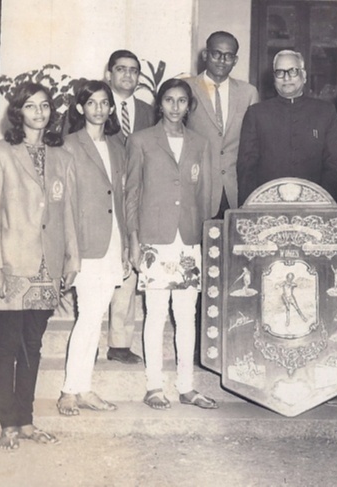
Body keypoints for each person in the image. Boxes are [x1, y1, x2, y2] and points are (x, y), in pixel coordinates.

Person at [0, 82, 79, 449]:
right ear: (18, 112)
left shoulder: (62, 157)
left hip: (47, 267)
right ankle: (8, 423)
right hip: (11, 263)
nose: (39, 112)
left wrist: (72, 258)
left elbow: (67, 212)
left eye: (45, 106)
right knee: (6, 343)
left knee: (32, 345)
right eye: (31, 106)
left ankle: (27, 419)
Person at [125, 78, 217, 410]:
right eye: (169, 100)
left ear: (189, 105)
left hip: (188, 241)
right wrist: (134, 241)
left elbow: (205, 195)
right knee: (155, 314)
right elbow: (131, 193)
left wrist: (204, 241)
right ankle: (153, 386)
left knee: (187, 315)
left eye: (181, 101)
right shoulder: (141, 141)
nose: (175, 107)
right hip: (154, 239)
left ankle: (187, 387)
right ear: (159, 104)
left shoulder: (200, 143)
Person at [56, 80, 128, 416]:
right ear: (80, 108)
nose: (98, 108)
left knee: (94, 316)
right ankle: (71, 390)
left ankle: (81, 387)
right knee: (88, 317)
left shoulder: (118, 144)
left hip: (113, 241)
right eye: (92, 103)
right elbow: (65, 203)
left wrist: (127, 245)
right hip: (85, 245)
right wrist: (70, 251)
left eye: (104, 102)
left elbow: (124, 199)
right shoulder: (69, 145)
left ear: (112, 108)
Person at [237, 50, 337, 205]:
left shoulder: (325, 112)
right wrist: (250, 206)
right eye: (280, 72)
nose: (286, 78)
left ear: (304, 76)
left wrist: (325, 203)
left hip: (313, 204)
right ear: (274, 78)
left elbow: (332, 165)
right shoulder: (256, 113)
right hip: (266, 204)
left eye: (293, 71)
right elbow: (247, 168)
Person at [104, 49, 156, 365]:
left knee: (130, 268)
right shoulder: (95, 103)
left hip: (136, 197)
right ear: (109, 74)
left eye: (134, 70)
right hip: (102, 197)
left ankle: (120, 343)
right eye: (121, 69)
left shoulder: (150, 112)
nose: (127, 75)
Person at [185, 31, 259, 219]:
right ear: (205, 55)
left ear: (235, 60)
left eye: (228, 56)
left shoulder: (248, 92)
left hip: (234, 189)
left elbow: (255, 144)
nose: (222, 60)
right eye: (216, 53)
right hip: (196, 187)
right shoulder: (186, 88)